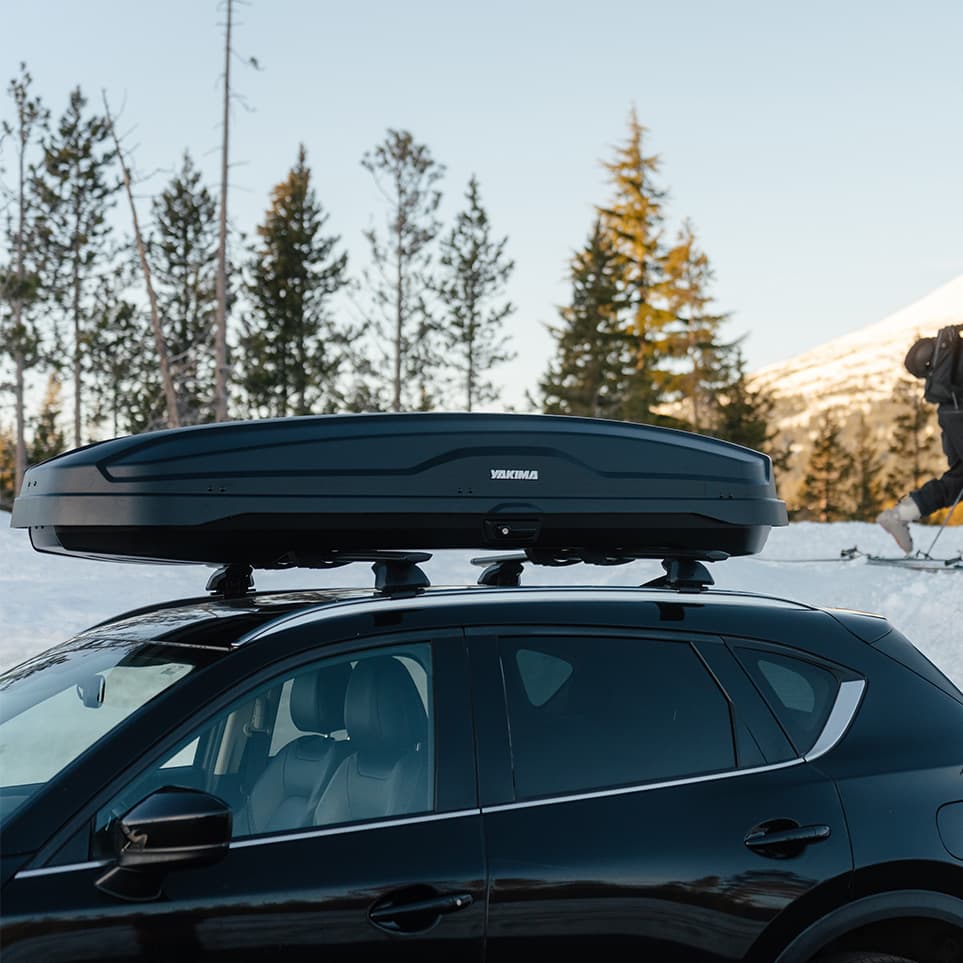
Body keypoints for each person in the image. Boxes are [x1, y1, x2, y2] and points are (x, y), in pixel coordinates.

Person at [877, 335, 963, 553]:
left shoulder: (949, 361)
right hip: (959, 413)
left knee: (957, 481)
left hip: (950, 414)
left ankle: (900, 515)